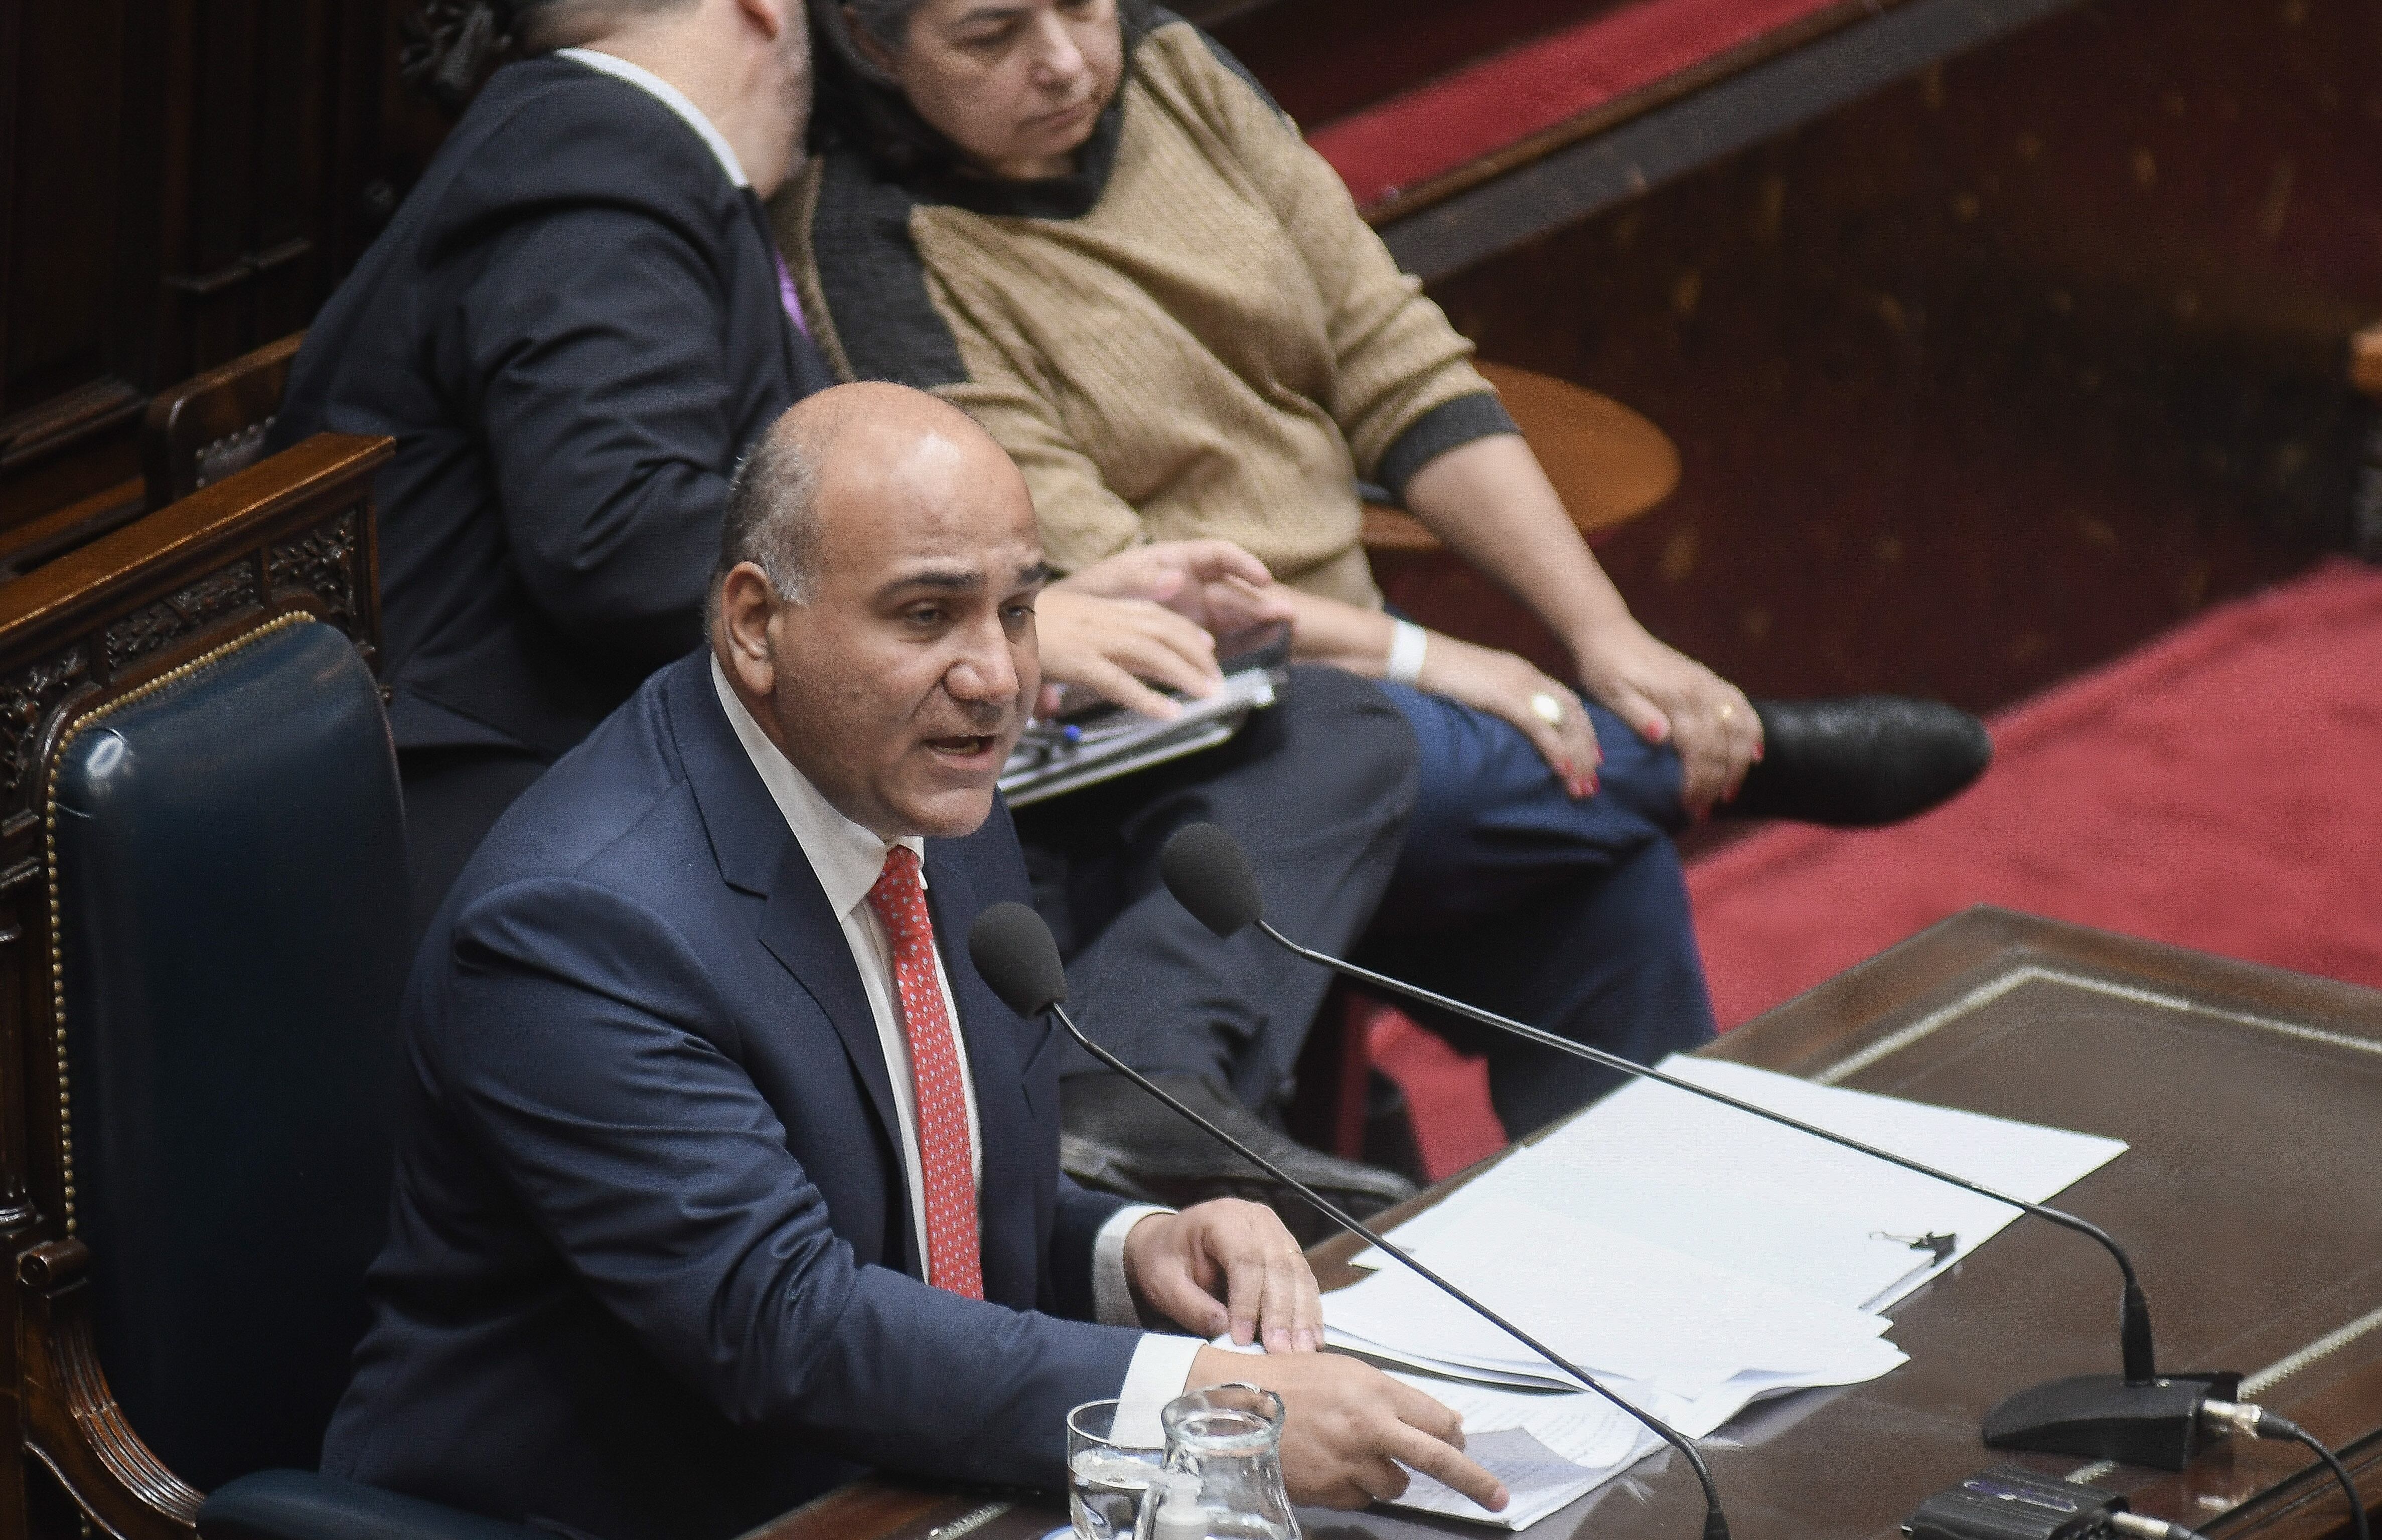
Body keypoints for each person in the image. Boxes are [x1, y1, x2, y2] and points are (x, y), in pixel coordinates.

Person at [269, 0, 1433, 1229]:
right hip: (578, 818)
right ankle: (1111, 1165)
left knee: (1321, 741)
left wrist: (1050, 610)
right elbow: (613, 534)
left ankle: (1128, 1109)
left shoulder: (643, 170)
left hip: (765, 753)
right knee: (1269, 764)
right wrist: (970, 632)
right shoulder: (593, 153)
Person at [779, 0, 1994, 1135]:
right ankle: (1722, 756)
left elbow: (1389, 354)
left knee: (1600, 869)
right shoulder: (868, 243)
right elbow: (1126, 592)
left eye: (1083, 2)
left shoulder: (1170, 70)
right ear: (878, 49)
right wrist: (1434, 656)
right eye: (992, 34)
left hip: (1356, 661)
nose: (1062, 59)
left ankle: (1664, 1280)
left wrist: (1604, 630)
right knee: (1441, 757)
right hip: (1172, 733)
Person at [324, 383, 1507, 1537]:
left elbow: (928, 1197)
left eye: (1017, 609)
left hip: (906, 1475)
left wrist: (1129, 1248)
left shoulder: (928, 793)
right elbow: (784, 1319)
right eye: (927, 615)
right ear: (753, 623)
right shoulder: (579, 928)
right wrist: (1192, 1401)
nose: (995, 675)